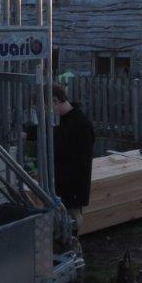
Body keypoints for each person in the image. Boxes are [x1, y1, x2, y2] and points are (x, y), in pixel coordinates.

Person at [50, 84, 95, 233]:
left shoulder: (81, 125)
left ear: (56, 100)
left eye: (48, 105)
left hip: (72, 190)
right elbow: (47, 131)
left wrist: (77, 196)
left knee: (72, 227)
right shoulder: (60, 120)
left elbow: (84, 164)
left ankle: (74, 253)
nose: (47, 111)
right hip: (60, 186)